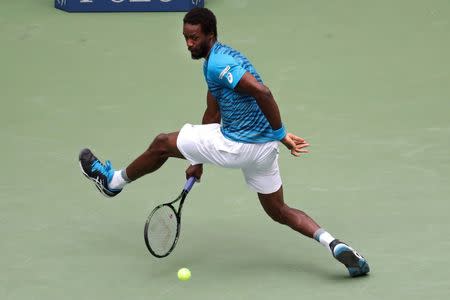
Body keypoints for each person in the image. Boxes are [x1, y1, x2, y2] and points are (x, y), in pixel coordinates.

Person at [79, 7, 369, 277]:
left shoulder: (219, 64)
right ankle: (334, 244)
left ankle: (113, 183)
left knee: (162, 143)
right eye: (185, 38)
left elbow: (264, 93)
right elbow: (212, 112)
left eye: (194, 38)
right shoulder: (221, 60)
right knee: (278, 210)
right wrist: (196, 161)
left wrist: (282, 135)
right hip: (263, 150)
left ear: (210, 35)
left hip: (238, 145)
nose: (189, 44)